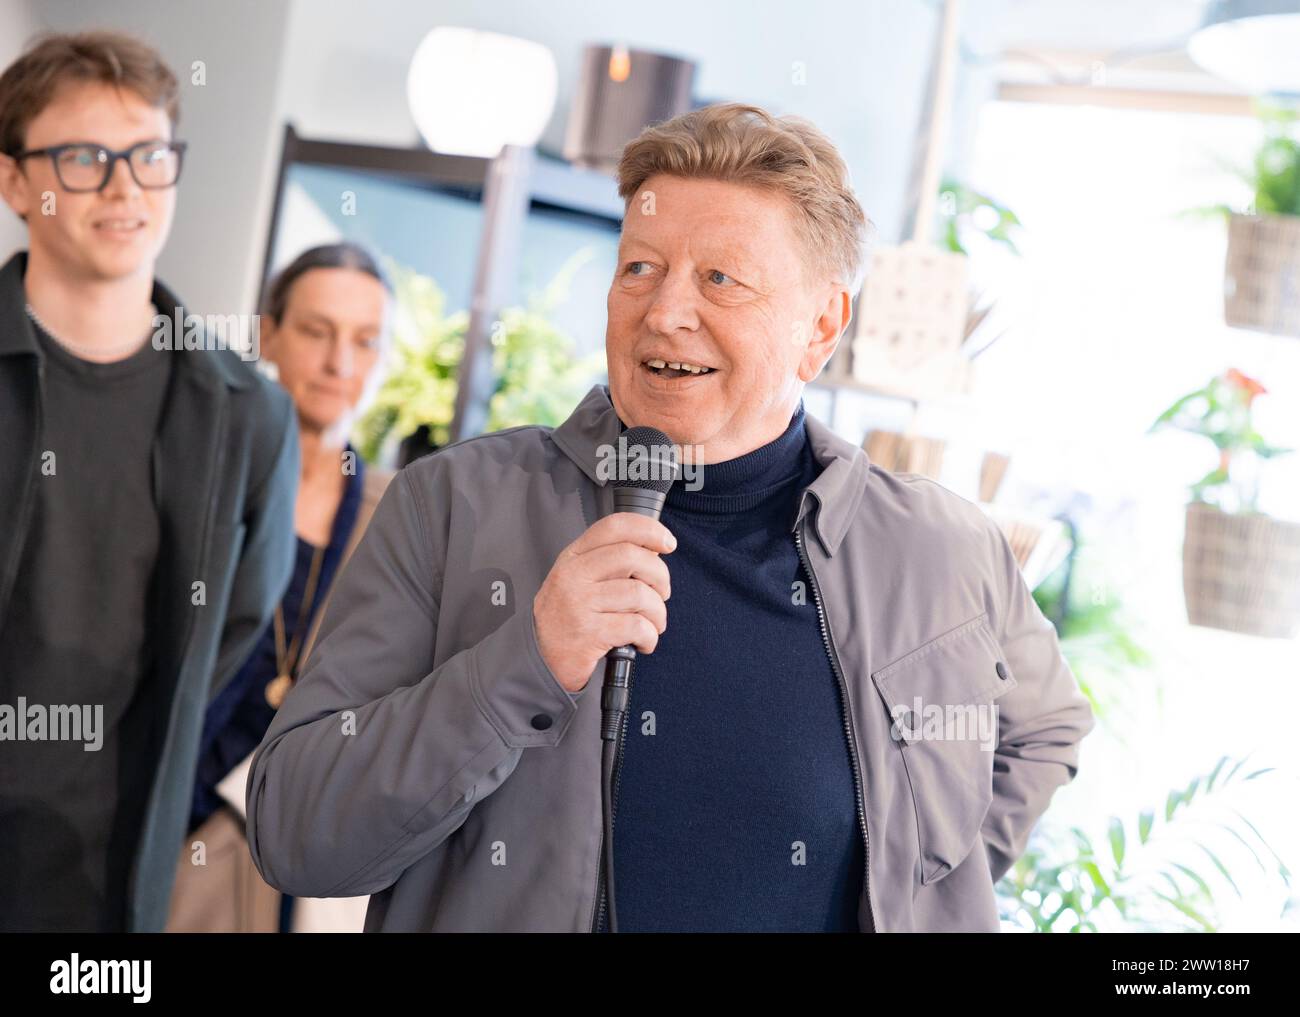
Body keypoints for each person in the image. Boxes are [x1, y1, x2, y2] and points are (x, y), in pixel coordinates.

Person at [245, 102, 1095, 932]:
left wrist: (917, 889)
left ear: (822, 326)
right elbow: (293, 829)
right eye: (639, 268)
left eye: (720, 278)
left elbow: (1046, 726)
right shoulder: (452, 506)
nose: (664, 311)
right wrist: (525, 662)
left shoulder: (939, 549)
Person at [0, 31, 298, 932]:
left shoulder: (247, 413)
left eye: (150, 156)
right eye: (87, 157)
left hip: (105, 888)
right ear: (16, 181)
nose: (126, 186)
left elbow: (231, 640)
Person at [166, 243, 395, 933]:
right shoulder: (197, 480)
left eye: (364, 341)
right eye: (317, 331)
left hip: (276, 857)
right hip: (158, 811)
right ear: (268, 333)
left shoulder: (397, 521)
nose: (339, 363)